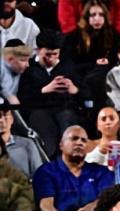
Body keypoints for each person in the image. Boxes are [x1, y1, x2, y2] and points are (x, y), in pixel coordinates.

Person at [33, 126, 114, 211]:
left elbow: (106, 198)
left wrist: (89, 210)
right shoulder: (47, 171)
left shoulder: (100, 171)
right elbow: (46, 206)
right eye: (74, 139)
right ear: (61, 145)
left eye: (83, 140)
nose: (79, 143)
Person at [15, 30, 83, 158]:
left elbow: (86, 94)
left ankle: (67, 157)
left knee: (67, 117)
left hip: (64, 108)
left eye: (55, 54)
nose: (51, 58)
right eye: (47, 54)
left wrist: (74, 89)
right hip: (39, 110)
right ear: (38, 51)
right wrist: (45, 89)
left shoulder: (67, 66)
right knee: (41, 120)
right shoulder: (29, 68)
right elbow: (23, 97)